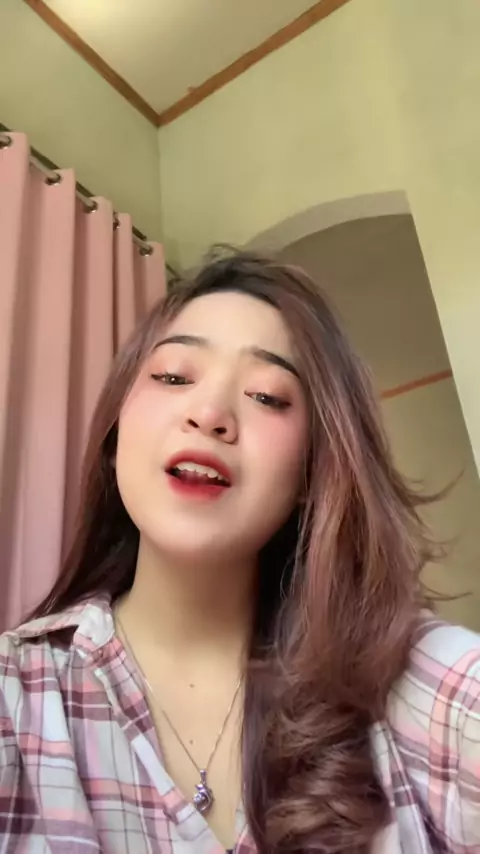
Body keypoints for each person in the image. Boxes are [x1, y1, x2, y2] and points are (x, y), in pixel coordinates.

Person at [0, 250, 479, 854]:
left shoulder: (409, 682)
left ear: (311, 472)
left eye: (268, 396)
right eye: (174, 377)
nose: (210, 414)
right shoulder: (19, 698)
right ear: (117, 436)